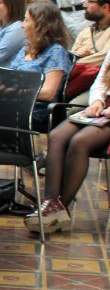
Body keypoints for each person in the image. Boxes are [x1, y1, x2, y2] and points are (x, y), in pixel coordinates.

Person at [28, 48, 110, 233]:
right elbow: (100, 81)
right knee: (57, 135)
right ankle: (50, 202)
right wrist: (97, 101)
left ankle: (59, 208)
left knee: (79, 141)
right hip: (103, 105)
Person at [10, 0, 73, 128]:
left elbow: (48, 93)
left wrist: (14, 91)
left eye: (27, 20)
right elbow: (10, 78)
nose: (22, 25)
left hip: (34, 110)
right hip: (13, 103)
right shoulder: (25, 49)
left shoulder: (56, 52)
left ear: (41, 25)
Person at [65, 0, 110, 100]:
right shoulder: (86, 32)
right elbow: (71, 60)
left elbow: (105, 58)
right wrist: (77, 56)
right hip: (78, 82)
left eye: (90, 1)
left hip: (103, 85)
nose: (85, 5)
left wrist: (78, 60)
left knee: (72, 109)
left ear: (105, 7)